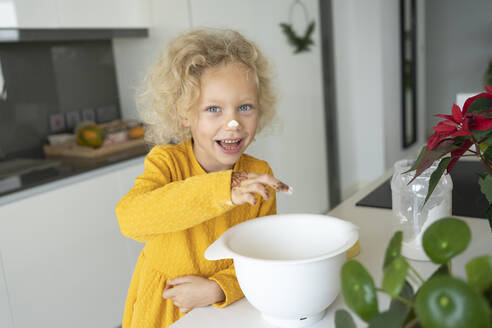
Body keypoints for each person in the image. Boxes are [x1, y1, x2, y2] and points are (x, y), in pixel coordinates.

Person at [115, 28, 292, 328]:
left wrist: (218, 288)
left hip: (230, 310)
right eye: (213, 109)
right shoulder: (167, 162)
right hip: (165, 310)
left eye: (244, 107)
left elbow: (262, 259)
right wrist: (224, 190)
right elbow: (130, 219)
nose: (233, 124)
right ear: (184, 114)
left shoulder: (260, 175)